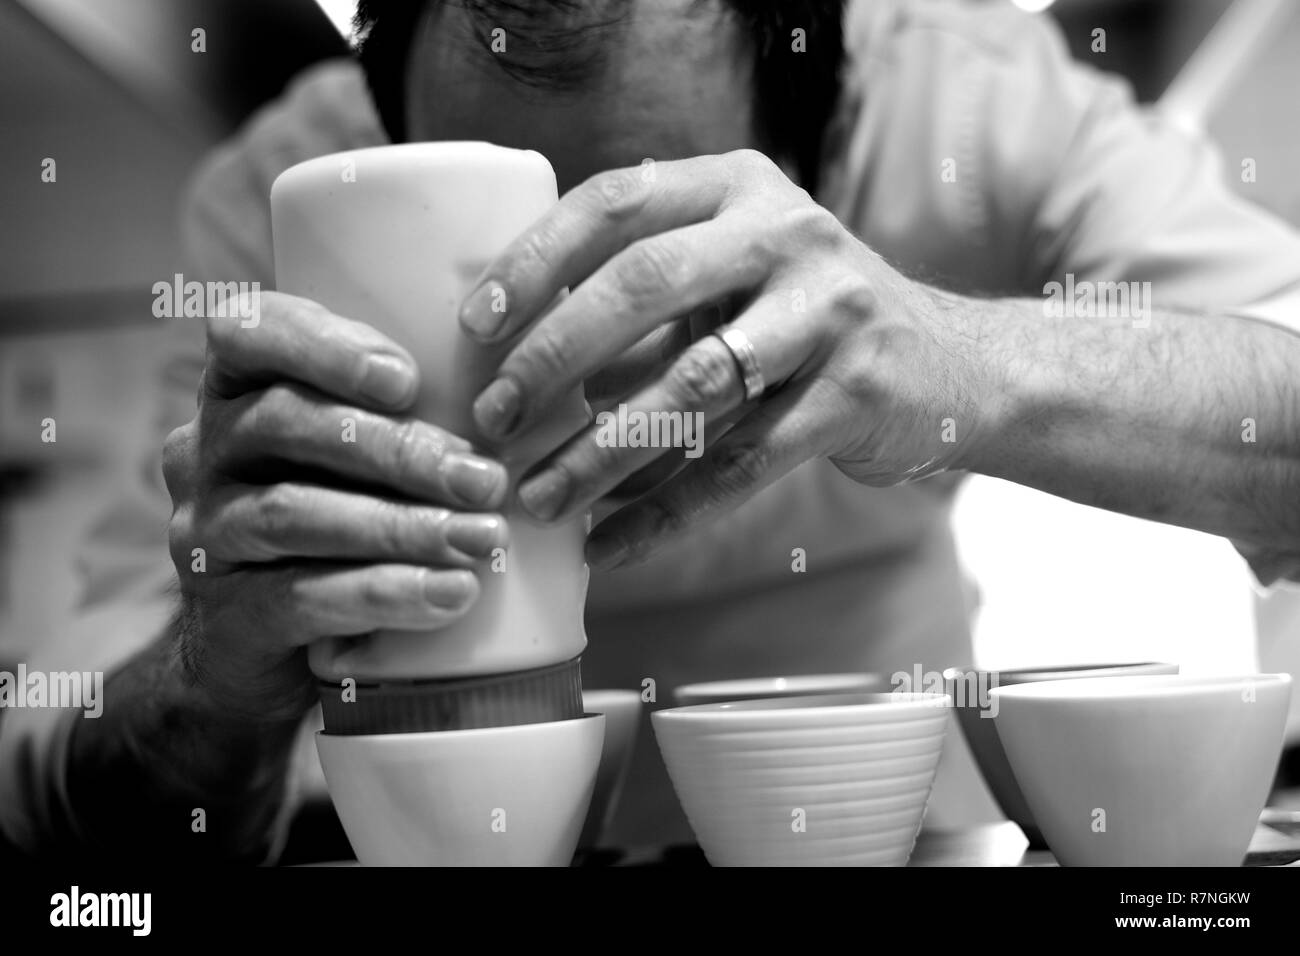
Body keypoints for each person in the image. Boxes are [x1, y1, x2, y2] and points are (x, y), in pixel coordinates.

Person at [2, 0, 1298, 862]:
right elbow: (68, 794)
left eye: (656, 238)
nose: (584, 345)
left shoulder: (962, 98)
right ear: (386, 97)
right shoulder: (296, 200)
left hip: (878, 832)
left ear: (824, 135)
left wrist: (947, 353)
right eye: (509, 253)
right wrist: (212, 675)